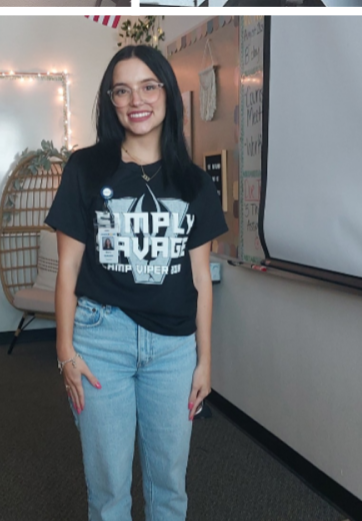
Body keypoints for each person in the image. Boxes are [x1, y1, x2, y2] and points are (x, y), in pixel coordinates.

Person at [46, 45, 228, 521]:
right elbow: (67, 270)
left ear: (167, 93)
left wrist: (205, 361)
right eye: (122, 90)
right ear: (110, 101)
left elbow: (201, 280)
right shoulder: (85, 170)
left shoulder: (192, 182)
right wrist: (65, 351)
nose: (136, 100)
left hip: (174, 350)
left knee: (169, 487)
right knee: (108, 493)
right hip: (100, 340)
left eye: (149, 86)